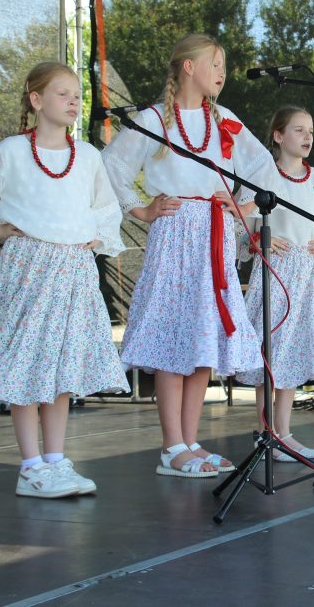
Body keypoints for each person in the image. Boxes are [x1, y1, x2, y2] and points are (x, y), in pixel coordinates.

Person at [102, 34, 277, 478]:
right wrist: (141, 209)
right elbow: (111, 166)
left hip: (213, 232)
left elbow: (263, 169)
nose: (222, 73)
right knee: (172, 339)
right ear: (187, 67)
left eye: (224, 66)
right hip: (175, 231)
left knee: (202, 340)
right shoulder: (153, 119)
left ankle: (191, 441)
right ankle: (171, 446)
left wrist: (241, 206)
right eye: (214, 64)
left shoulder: (226, 120)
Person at [0, 61, 129, 498]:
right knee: (26, 362)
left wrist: (96, 238)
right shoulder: (11, 151)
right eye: (62, 94)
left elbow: (106, 207)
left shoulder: (87, 156)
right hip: (29, 266)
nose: (73, 101)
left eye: (77, 95)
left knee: (62, 365)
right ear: (36, 100)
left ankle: (56, 459)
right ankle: (31, 466)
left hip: (73, 269)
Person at [235, 106, 314, 460]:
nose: (308, 137)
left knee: (290, 355)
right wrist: (257, 239)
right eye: (299, 130)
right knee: (269, 354)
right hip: (275, 273)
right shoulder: (261, 174)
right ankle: (267, 433)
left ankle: (284, 434)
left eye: (310, 131)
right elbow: (238, 221)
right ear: (278, 135)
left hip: (308, 275)